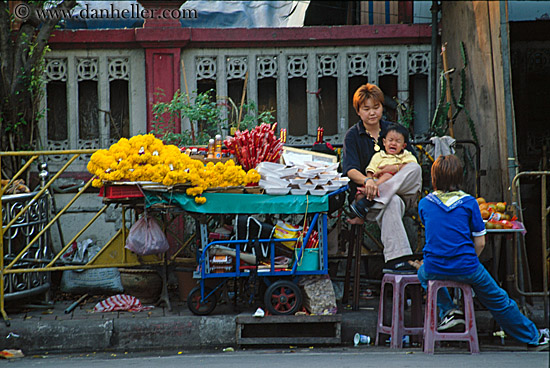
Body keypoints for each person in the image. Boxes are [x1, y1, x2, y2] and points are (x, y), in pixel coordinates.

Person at [411, 155, 548, 349]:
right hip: (467, 267)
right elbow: (480, 243)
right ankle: (533, 338)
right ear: (460, 177)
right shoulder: (469, 203)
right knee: (499, 300)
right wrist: (466, 261)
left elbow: (435, 233)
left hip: (434, 267)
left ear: (434, 178)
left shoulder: (425, 203)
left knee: (422, 273)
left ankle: (450, 311)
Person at [342, 83, 422, 274]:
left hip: (383, 196)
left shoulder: (394, 130)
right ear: (358, 111)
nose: (372, 113)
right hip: (371, 194)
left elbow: (412, 163)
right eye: (366, 109)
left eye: (376, 107)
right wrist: (368, 181)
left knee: (415, 169)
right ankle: (398, 261)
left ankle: (367, 204)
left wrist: (392, 169)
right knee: (391, 202)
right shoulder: (353, 136)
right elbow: (350, 170)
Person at [349, 123, 418, 220]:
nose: (393, 143)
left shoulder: (406, 155)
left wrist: (396, 168)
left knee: (389, 175)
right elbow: (370, 170)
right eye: (390, 140)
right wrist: (370, 183)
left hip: (399, 187)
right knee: (393, 200)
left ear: (404, 146)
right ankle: (370, 199)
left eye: (398, 141)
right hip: (377, 183)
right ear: (384, 142)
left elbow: (413, 168)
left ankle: (371, 196)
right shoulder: (378, 156)